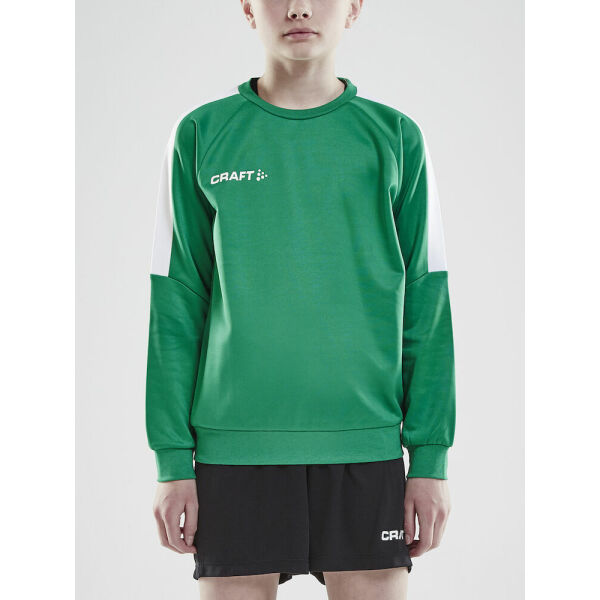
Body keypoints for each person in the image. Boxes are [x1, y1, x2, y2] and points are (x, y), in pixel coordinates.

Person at [145, 1, 456, 598]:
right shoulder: (202, 135)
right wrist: (172, 461)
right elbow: (176, 305)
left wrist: (430, 458)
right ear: (247, 7)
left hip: (365, 448)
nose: (299, 8)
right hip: (234, 451)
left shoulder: (395, 137)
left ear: (355, 7)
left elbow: (427, 303)